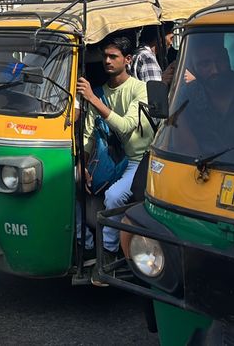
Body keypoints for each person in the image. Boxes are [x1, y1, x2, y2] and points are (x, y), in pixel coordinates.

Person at [76, 36, 154, 286]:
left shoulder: (139, 89)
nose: (107, 61)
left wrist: (93, 100)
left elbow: (126, 127)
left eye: (113, 57)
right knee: (69, 181)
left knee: (113, 196)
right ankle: (85, 244)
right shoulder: (98, 92)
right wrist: (84, 165)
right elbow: (88, 136)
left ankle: (107, 256)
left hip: (137, 160)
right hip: (107, 161)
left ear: (127, 60)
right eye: (105, 56)